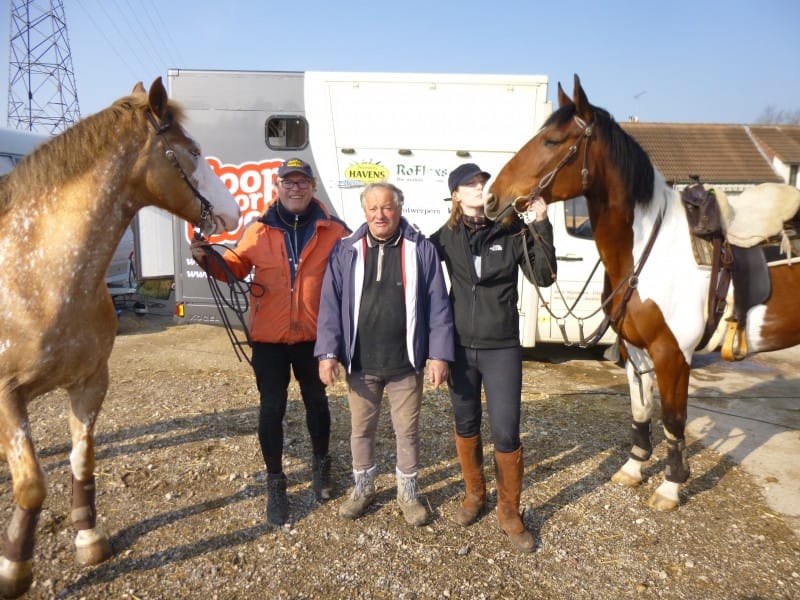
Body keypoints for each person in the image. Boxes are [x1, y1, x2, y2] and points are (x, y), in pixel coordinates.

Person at [190, 158, 350, 527]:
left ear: (312, 187)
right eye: (288, 182)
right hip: (269, 341)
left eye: (302, 182)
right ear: (277, 187)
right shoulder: (258, 231)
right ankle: (276, 483)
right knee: (271, 410)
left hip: (315, 338)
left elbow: (352, 278)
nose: (295, 188)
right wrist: (208, 258)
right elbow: (234, 268)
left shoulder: (334, 231)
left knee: (317, 403)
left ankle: (321, 466)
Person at [429, 163, 556, 553]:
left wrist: (541, 222)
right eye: (470, 184)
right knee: (466, 424)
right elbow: (419, 278)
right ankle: (474, 495)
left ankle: (509, 510)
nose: (480, 188)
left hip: (502, 348)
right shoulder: (444, 238)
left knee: (506, 430)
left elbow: (544, 275)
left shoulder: (511, 230)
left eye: (483, 183)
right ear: (456, 195)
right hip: (461, 350)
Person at [315, 182, 454, 526]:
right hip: (360, 364)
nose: (380, 214)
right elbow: (330, 305)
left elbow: (438, 305)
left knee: (407, 432)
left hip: (405, 363)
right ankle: (363, 488)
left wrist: (439, 355)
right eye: (373, 208)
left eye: (387, 207)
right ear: (364, 211)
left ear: (399, 209)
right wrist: (327, 352)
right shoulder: (346, 250)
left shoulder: (420, 249)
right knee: (361, 430)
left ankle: (408, 493)